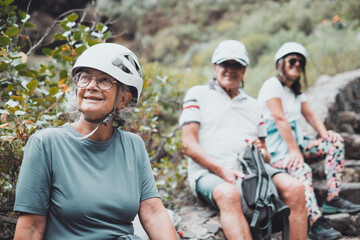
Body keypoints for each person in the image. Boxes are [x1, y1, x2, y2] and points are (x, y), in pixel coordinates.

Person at [13, 43, 177, 240]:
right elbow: (31, 228)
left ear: (124, 98)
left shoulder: (133, 146)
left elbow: (154, 213)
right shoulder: (46, 144)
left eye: (105, 80)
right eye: (85, 77)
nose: (91, 86)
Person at [180, 39, 307, 240]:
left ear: (244, 70)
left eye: (237, 65)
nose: (231, 70)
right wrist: (222, 170)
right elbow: (188, 145)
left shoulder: (254, 105)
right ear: (215, 67)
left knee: (296, 188)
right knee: (229, 195)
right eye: (225, 64)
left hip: (251, 170)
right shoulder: (197, 94)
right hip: (208, 173)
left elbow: (266, 156)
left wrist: (260, 149)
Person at [257, 41, 360, 240]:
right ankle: (315, 222)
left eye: (300, 63)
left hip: (296, 147)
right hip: (277, 153)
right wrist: (294, 151)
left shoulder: (295, 91)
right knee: (302, 169)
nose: (297, 65)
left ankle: (332, 197)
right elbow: (279, 118)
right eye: (292, 61)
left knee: (336, 143)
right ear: (280, 63)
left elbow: (311, 115)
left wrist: (325, 134)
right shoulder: (272, 85)